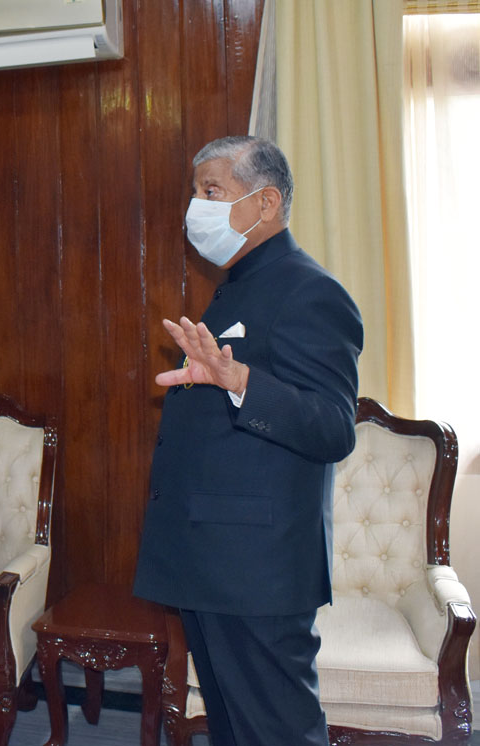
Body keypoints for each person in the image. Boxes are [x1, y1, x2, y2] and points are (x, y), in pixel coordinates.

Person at [133, 136, 363, 745]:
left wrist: (240, 381)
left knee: (278, 733)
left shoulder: (309, 289)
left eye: (211, 191)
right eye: (196, 191)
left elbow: (334, 427)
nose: (196, 206)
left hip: (256, 572)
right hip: (214, 561)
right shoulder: (241, 284)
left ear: (264, 204)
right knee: (235, 732)